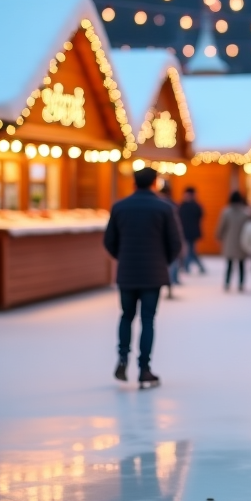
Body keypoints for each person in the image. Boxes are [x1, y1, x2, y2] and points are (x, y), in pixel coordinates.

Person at [103, 166, 182, 388]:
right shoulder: (164, 208)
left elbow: (109, 241)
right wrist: (161, 261)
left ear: (133, 183)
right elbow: (176, 243)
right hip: (153, 274)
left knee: (126, 316)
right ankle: (144, 368)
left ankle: (122, 358)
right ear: (155, 183)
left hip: (127, 272)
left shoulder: (120, 207)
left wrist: (123, 257)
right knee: (148, 319)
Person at [215, 190, 251, 292]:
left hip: (229, 241)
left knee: (229, 264)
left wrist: (218, 236)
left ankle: (227, 283)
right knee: (241, 265)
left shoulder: (226, 212)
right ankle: (241, 284)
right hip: (242, 242)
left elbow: (221, 226)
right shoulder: (245, 213)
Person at [159, 181, 183, 295]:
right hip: (169, 238)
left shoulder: (157, 204)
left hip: (158, 239)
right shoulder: (172, 205)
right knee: (172, 263)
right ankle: (170, 286)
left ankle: (166, 285)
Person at [178, 187, 205, 275]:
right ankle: (188, 266)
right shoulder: (183, 205)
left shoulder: (194, 206)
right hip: (186, 231)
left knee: (190, 251)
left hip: (191, 232)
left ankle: (186, 267)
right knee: (190, 251)